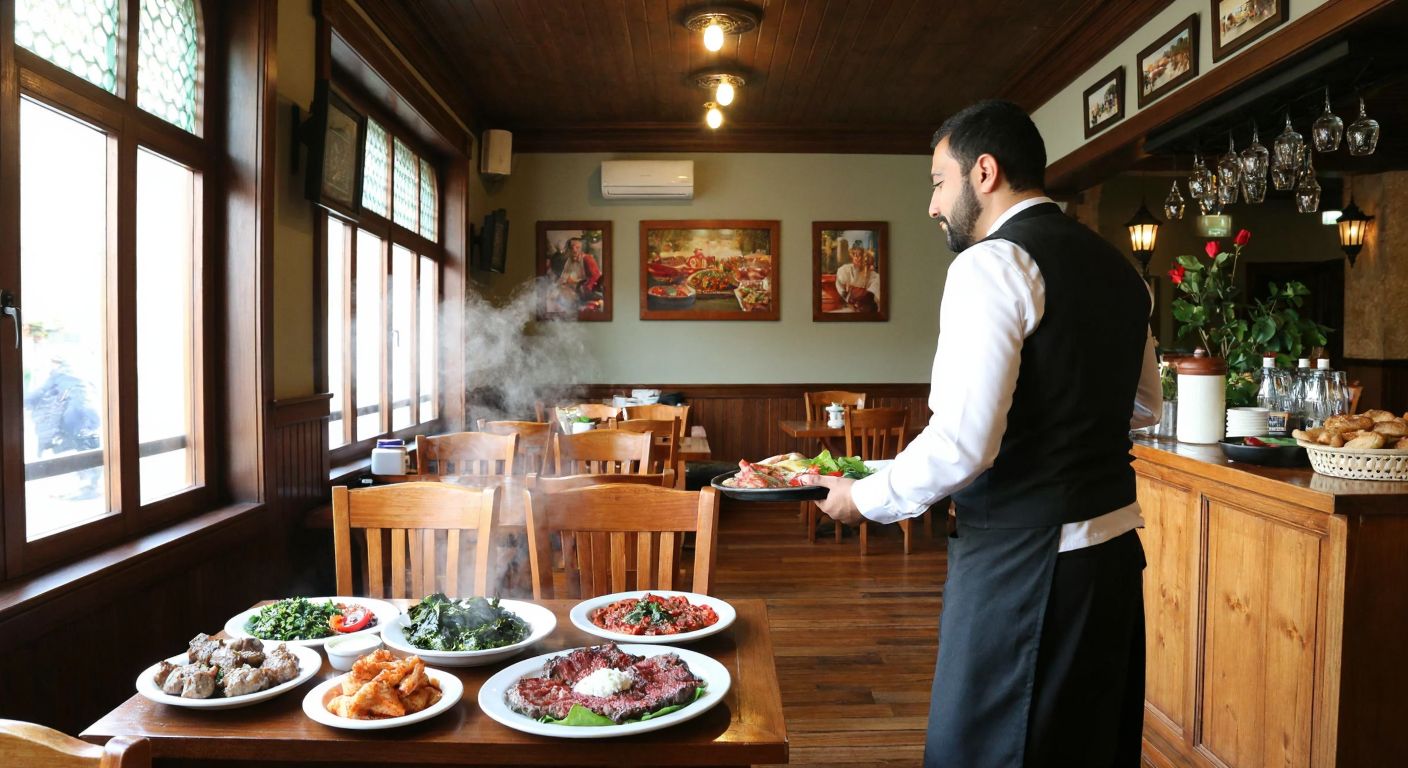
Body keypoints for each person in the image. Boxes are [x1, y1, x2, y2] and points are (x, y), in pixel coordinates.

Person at [809, 100, 1161, 767]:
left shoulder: (990, 265)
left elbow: (964, 446)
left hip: (1024, 563)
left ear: (984, 172)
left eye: (938, 182)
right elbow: (1143, 408)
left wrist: (866, 499)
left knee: (978, 752)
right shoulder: (1121, 270)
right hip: (1112, 562)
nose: (933, 205)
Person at [25, 355, 103, 499]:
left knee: (78, 447)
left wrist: (20, 399)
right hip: (94, 412)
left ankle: (90, 487)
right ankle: (91, 484)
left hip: (74, 414)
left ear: (56, 364)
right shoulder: (79, 373)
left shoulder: (58, 375)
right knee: (86, 447)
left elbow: (38, 394)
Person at [549, 236, 602, 315]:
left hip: (586, 289)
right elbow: (564, 275)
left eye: (577, 247)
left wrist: (585, 287)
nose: (574, 250)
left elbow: (596, 276)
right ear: (568, 249)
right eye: (571, 248)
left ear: (581, 249)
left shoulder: (587, 259)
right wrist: (557, 285)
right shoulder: (569, 260)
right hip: (573, 288)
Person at [833, 243, 880, 312]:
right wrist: (848, 296)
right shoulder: (845, 270)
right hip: (851, 305)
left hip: (867, 308)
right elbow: (841, 288)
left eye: (861, 255)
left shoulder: (875, 276)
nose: (858, 258)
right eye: (855, 255)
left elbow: (871, 295)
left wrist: (855, 291)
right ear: (852, 256)